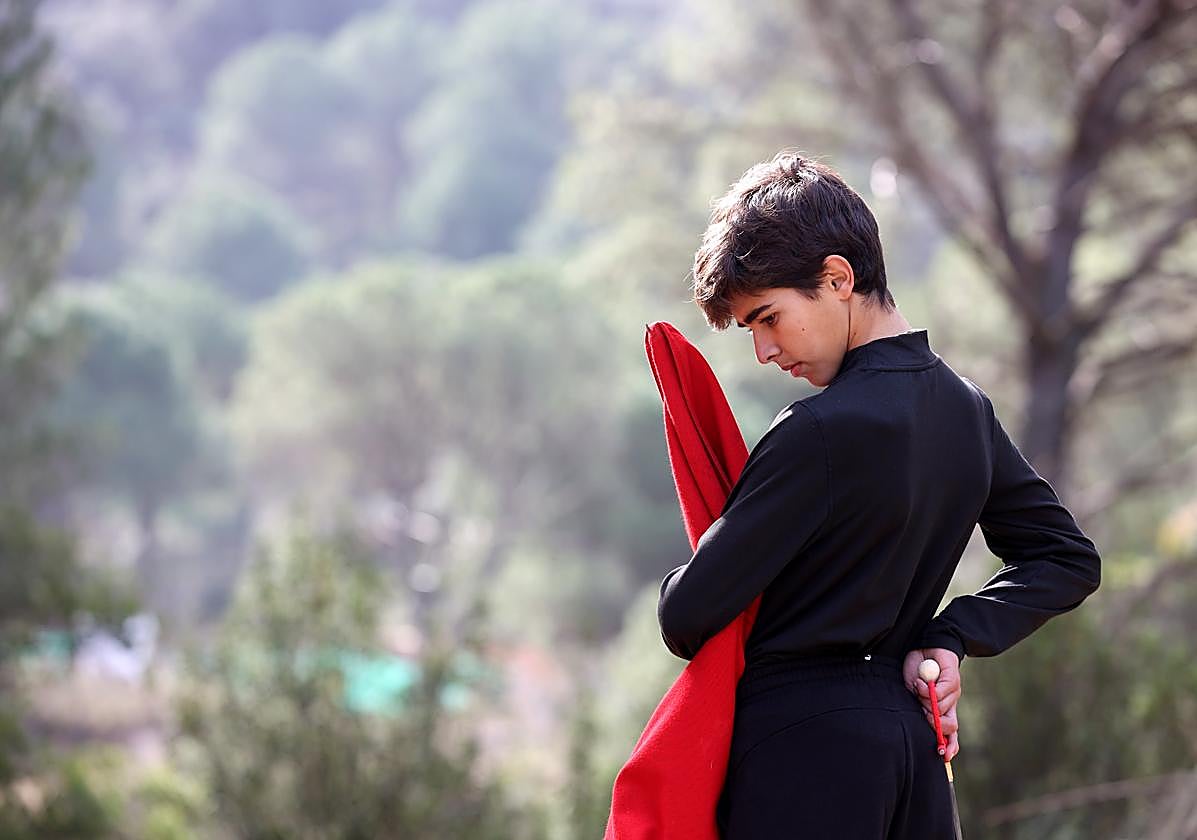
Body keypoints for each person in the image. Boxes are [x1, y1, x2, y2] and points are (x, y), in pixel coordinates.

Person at [656, 151, 1102, 838]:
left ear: (837, 278)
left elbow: (686, 615)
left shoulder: (816, 432)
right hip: (911, 752)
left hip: (800, 757)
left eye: (768, 318)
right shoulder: (966, 410)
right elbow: (1065, 559)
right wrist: (948, 637)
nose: (764, 353)